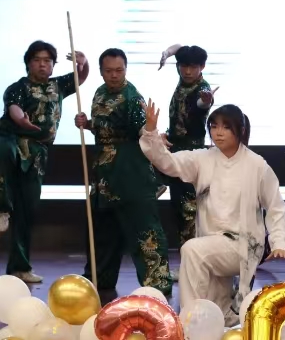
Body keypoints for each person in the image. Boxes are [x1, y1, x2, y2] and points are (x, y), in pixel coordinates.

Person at [140, 101, 285, 325]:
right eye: (214, 126)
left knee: (192, 250)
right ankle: (219, 323)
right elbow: (167, 162)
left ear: (241, 130)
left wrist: (279, 241)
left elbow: (275, 206)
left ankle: (189, 323)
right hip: (211, 240)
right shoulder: (203, 158)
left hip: (243, 244)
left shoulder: (257, 165)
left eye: (226, 127)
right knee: (219, 309)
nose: (218, 132)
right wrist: (151, 131)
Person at [74, 48, 172, 295]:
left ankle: (157, 286)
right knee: (104, 231)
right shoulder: (99, 93)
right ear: (101, 71)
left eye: (119, 70)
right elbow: (105, 127)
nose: (114, 75)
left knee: (144, 230)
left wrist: (153, 132)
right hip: (105, 175)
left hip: (131, 173)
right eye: (109, 71)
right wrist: (87, 124)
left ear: (126, 70)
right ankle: (100, 279)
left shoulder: (132, 97)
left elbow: (143, 130)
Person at [0, 41, 89, 283]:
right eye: (37, 60)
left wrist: (83, 64)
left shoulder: (58, 85)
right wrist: (22, 120)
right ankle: (2, 207)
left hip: (38, 153)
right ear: (28, 63)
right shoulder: (18, 87)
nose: (42, 64)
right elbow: (14, 108)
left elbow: (80, 78)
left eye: (47, 61)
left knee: (27, 210)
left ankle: (19, 267)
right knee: (4, 154)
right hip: (12, 141)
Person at [157, 44, 216, 254]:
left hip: (191, 156)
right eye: (183, 66)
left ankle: (194, 259)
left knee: (188, 209)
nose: (188, 71)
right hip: (175, 151)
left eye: (193, 67)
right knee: (179, 208)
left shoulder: (202, 88)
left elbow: (201, 104)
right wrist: (166, 54)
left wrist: (206, 102)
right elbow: (179, 47)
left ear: (202, 67)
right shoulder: (183, 79)